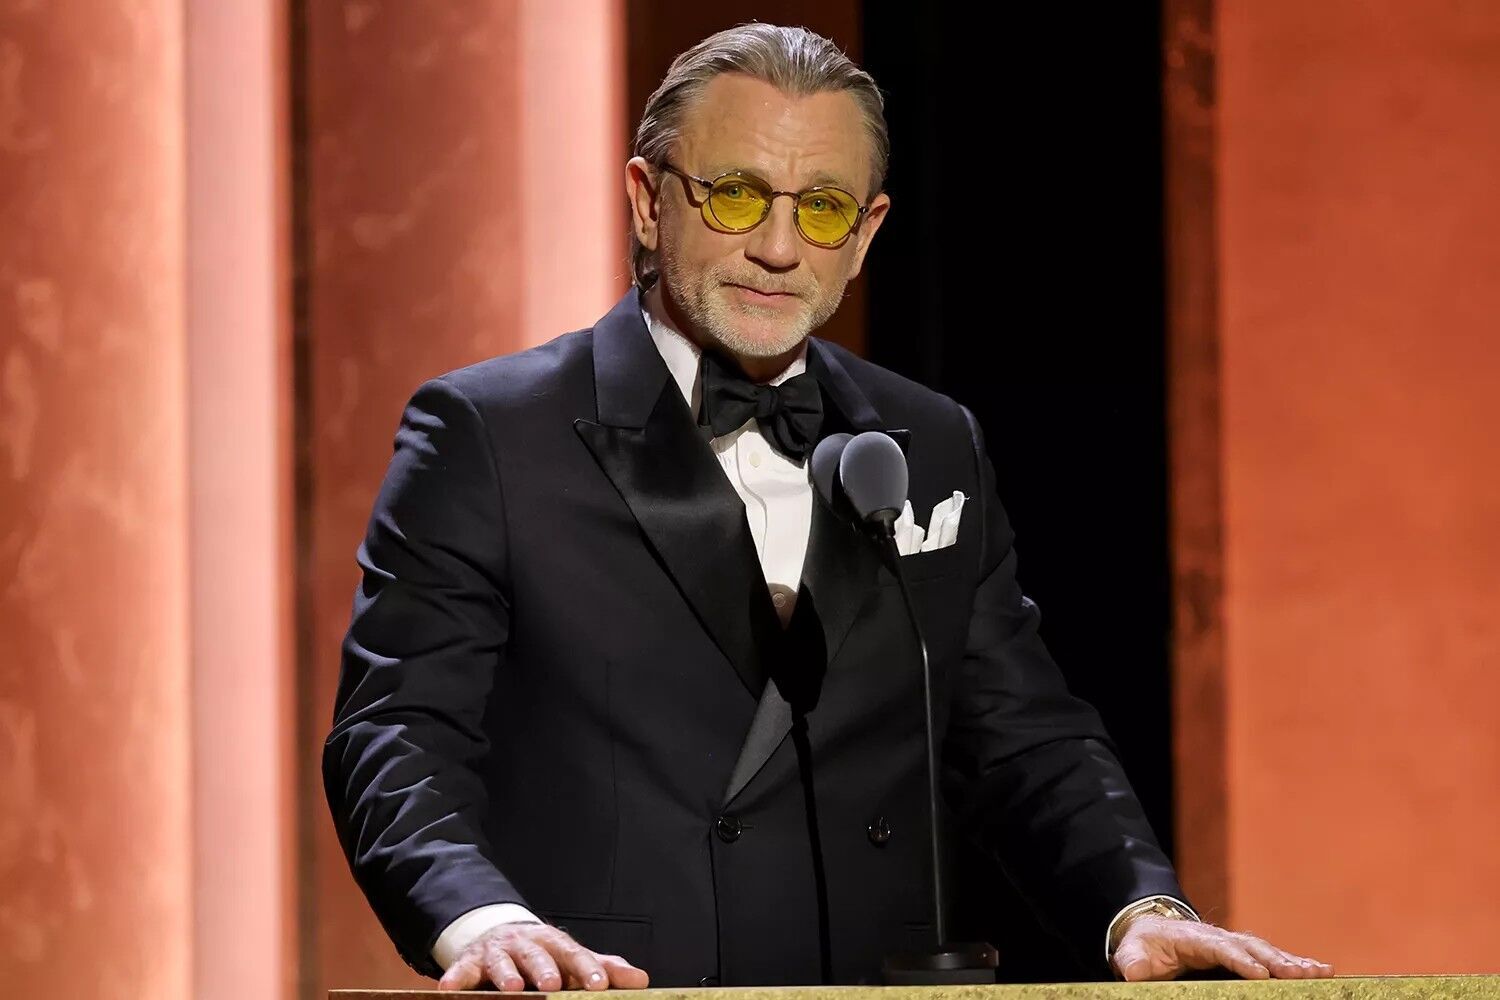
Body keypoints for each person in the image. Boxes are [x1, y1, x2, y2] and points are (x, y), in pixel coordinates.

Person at [324, 22, 1333, 992]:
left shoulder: (930, 438)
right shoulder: (490, 433)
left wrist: (1140, 906)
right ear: (646, 201)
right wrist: (484, 919)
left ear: (865, 233)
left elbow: (1023, 734)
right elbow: (396, 733)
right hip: (612, 988)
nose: (776, 247)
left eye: (819, 210)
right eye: (733, 196)